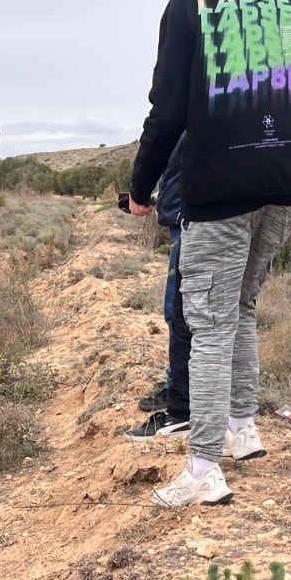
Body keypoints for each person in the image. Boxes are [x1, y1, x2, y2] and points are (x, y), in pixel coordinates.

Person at [124, 0, 291, 507]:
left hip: (220, 191)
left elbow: (166, 112)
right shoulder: (283, 1)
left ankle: (204, 468)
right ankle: (243, 428)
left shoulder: (187, 6)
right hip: (287, 186)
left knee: (210, 324)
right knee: (240, 307)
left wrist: (143, 188)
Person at [126, 135, 191, 440]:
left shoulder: (186, 118)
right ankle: (180, 388)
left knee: (179, 311)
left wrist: (140, 192)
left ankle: (180, 400)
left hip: (191, 222)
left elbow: (161, 145)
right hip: (187, 217)